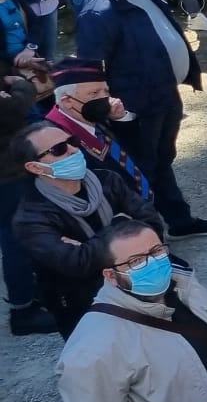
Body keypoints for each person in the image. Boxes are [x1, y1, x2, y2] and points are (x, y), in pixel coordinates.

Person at [75, 0, 207, 239]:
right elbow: (92, 67)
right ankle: (144, 237)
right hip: (135, 105)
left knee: (161, 161)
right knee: (140, 169)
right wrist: (112, 107)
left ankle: (179, 221)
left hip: (165, 94)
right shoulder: (98, 11)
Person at [56, 220, 207, 402]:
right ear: (111, 275)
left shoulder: (184, 285)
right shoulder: (93, 348)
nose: (153, 263)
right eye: (136, 261)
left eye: (157, 251)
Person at [10, 120, 166, 335]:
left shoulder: (108, 180)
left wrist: (88, 246)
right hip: (87, 310)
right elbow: (76, 263)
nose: (74, 149)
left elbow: (153, 225)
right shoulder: (31, 218)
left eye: (72, 141)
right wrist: (122, 225)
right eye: (59, 149)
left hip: (145, 286)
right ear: (35, 167)